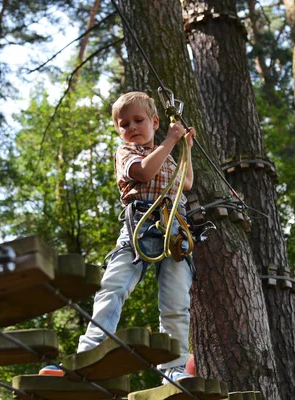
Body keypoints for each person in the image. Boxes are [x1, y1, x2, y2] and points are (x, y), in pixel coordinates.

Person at [41, 91, 196, 384]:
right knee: (112, 289)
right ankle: (87, 355)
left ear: (155, 121)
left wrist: (185, 148)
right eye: (124, 124)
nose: (132, 128)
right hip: (140, 226)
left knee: (176, 302)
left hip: (174, 231)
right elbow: (144, 173)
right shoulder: (127, 153)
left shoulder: (167, 156)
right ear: (118, 130)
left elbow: (186, 183)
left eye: (138, 120)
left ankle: (173, 368)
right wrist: (171, 141)